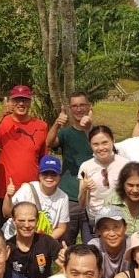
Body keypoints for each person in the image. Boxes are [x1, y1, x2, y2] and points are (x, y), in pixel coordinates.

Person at [48, 91, 96, 244]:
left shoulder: (98, 134)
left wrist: (89, 129)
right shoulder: (66, 133)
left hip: (93, 197)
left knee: (92, 244)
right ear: (69, 108)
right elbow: (49, 143)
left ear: (89, 106)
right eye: (75, 106)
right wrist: (57, 124)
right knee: (66, 244)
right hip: (69, 197)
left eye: (82, 105)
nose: (79, 109)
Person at [0, 85, 48, 205]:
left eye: (25, 100)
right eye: (17, 100)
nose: (21, 103)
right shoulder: (1, 122)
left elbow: (43, 158)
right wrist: (1, 114)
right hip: (3, 191)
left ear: (30, 102)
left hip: (30, 191)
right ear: (11, 101)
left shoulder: (41, 126)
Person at [1, 155, 69, 240]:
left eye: (53, 173)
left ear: (60, 177)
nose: (49, 177)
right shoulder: (27, 189)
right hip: (13, 237)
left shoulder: (63, 197)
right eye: (45, 173)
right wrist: (8, 196)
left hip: (41, 240)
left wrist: (45, 242)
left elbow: (61, 227)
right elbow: (7, 214)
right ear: (39, 175)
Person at [77, 126, 128, 224]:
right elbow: (82, 204)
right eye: (95, 144)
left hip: (120, 220)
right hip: (95, 220)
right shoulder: (86, 167)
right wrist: (84, 188)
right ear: (90, 145)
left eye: (105, 143)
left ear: (113, 141)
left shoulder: (126, 165)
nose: (100, 148)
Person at [6, 202, 63, 278]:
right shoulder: (7, 247)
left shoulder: (47, 241)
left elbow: (66, 269)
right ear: (14, 221)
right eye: (21, 221)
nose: (26, 225)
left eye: (31, 220)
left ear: (37, 220)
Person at [86, 206, 130, 278]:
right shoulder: (94, 247)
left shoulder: (132, 245)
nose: (112, 234)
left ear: (125, 227)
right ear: (98, 231)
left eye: (116, 227)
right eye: (105, 228)